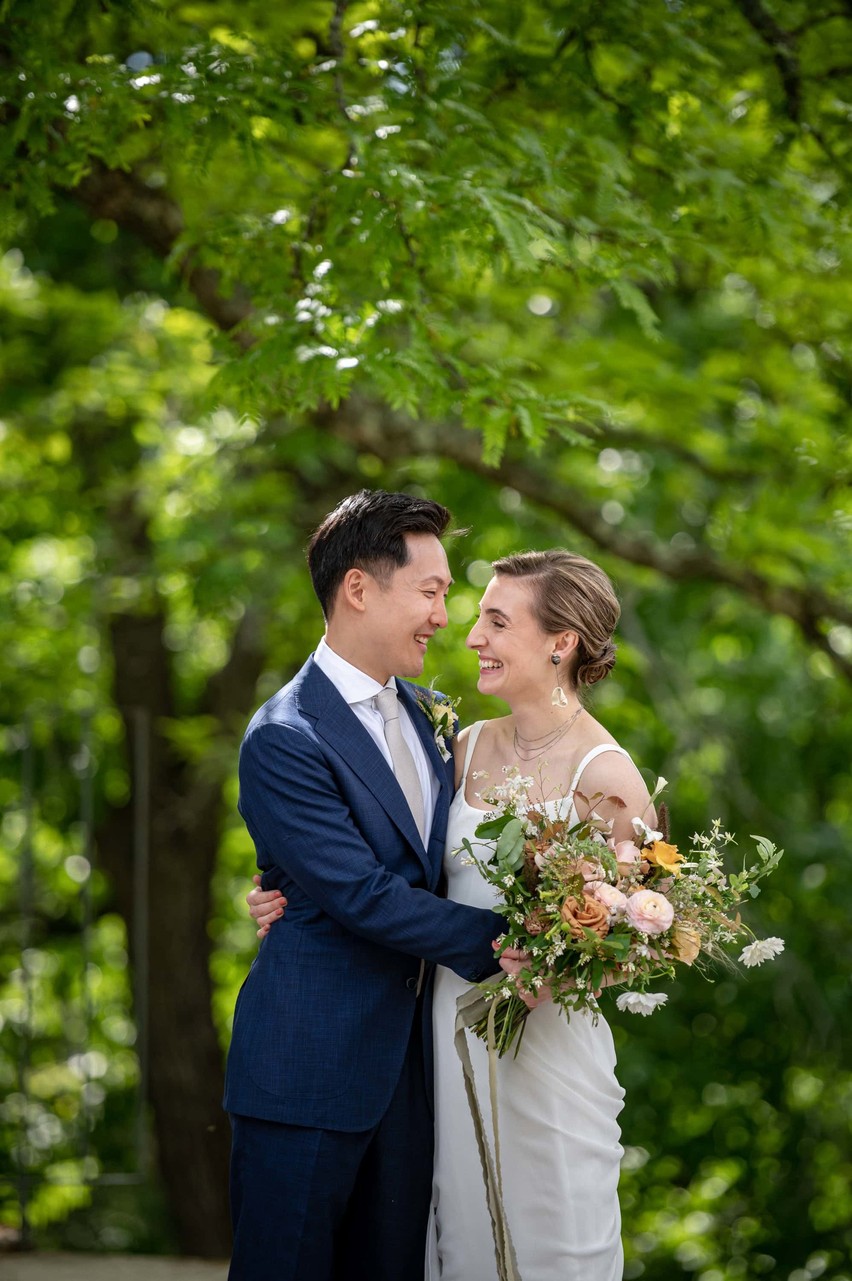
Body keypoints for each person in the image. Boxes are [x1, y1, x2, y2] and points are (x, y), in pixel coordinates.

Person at [251, 547, 652, 1280]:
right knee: (455, 1245)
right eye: (472, 616)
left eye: (497, 621)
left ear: (560, 643)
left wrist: (562, 955)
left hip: (545, 1045)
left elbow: (641, 930)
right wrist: (287, 888)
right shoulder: (459, 745)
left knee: (555, 1244)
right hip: (443, 1037)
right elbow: (379, 860)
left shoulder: (609, 778)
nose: (470, 636)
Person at [224, 489, 504, 1281]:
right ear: (358, 588)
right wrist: (513, 944)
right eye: (431, 590)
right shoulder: (285, 735)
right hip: (307, 1073)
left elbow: (438, 859)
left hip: (412, 1083)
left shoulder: (429, 715)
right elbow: (361, 894)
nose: (443, 617)